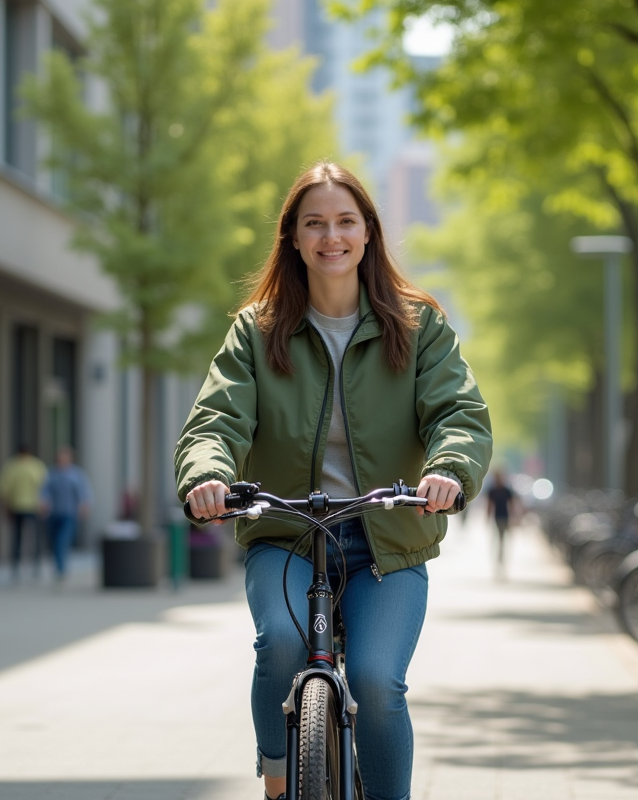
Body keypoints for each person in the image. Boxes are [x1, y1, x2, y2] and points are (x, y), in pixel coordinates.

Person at [174, 161, 492, 800]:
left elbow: (459, 412)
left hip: (387, 541)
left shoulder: (417, 324)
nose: (331, 237)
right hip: (286, 533)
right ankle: (275, 774)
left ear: (368, 232)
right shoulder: (258, 331)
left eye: (345, 221)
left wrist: (447, 471)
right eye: (314, 223)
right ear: (292, 237)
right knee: (281, 642)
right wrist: (208, 476)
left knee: (376, 682)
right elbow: (216, 419)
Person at [38, 446, 93, 583]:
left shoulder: (76, 474)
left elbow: (84, 492)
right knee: (54, 541)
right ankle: (58, 566)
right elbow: (44, 490)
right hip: (54, 513)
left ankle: (61, 569)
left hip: (70, 514)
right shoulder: (52, 473)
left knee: (62, 540)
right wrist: (43, 503)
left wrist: (84, 506)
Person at [0, 443, 48, 580]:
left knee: (17, 538)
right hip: (33, 506)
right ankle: (35, 566)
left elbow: (3, 490)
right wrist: (44, 505)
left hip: (17, 506)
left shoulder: (12, 466)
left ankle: (16, 567)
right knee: (34, 538)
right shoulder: (36, 465)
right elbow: (44, 487)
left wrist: (5, 508)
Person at [485, 469, 520, 572]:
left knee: (503, 540)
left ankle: (502, 560)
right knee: (498, 540)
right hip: (497, 518)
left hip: (506, 518)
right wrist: (487, 518)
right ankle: (499, 561)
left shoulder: (507, 490)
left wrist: (515, 518)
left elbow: (512, 505)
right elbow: (489, 505)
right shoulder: (492, 490)